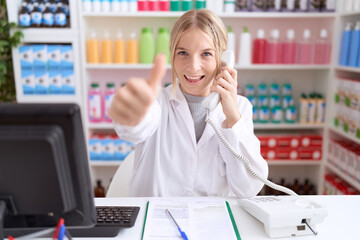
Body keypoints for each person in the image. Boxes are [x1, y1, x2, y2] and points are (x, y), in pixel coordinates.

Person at [108, 9, 268, 198]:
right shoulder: (157, 102)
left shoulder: (240, 108)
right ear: (172, 56)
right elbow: (135, 129)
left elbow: (248, 188)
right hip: (156, 220)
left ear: (224, 60)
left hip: (212, 222)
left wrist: (232, 118)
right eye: (183, 52)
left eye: (206, 54)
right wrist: (132, 116)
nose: (193, 66)